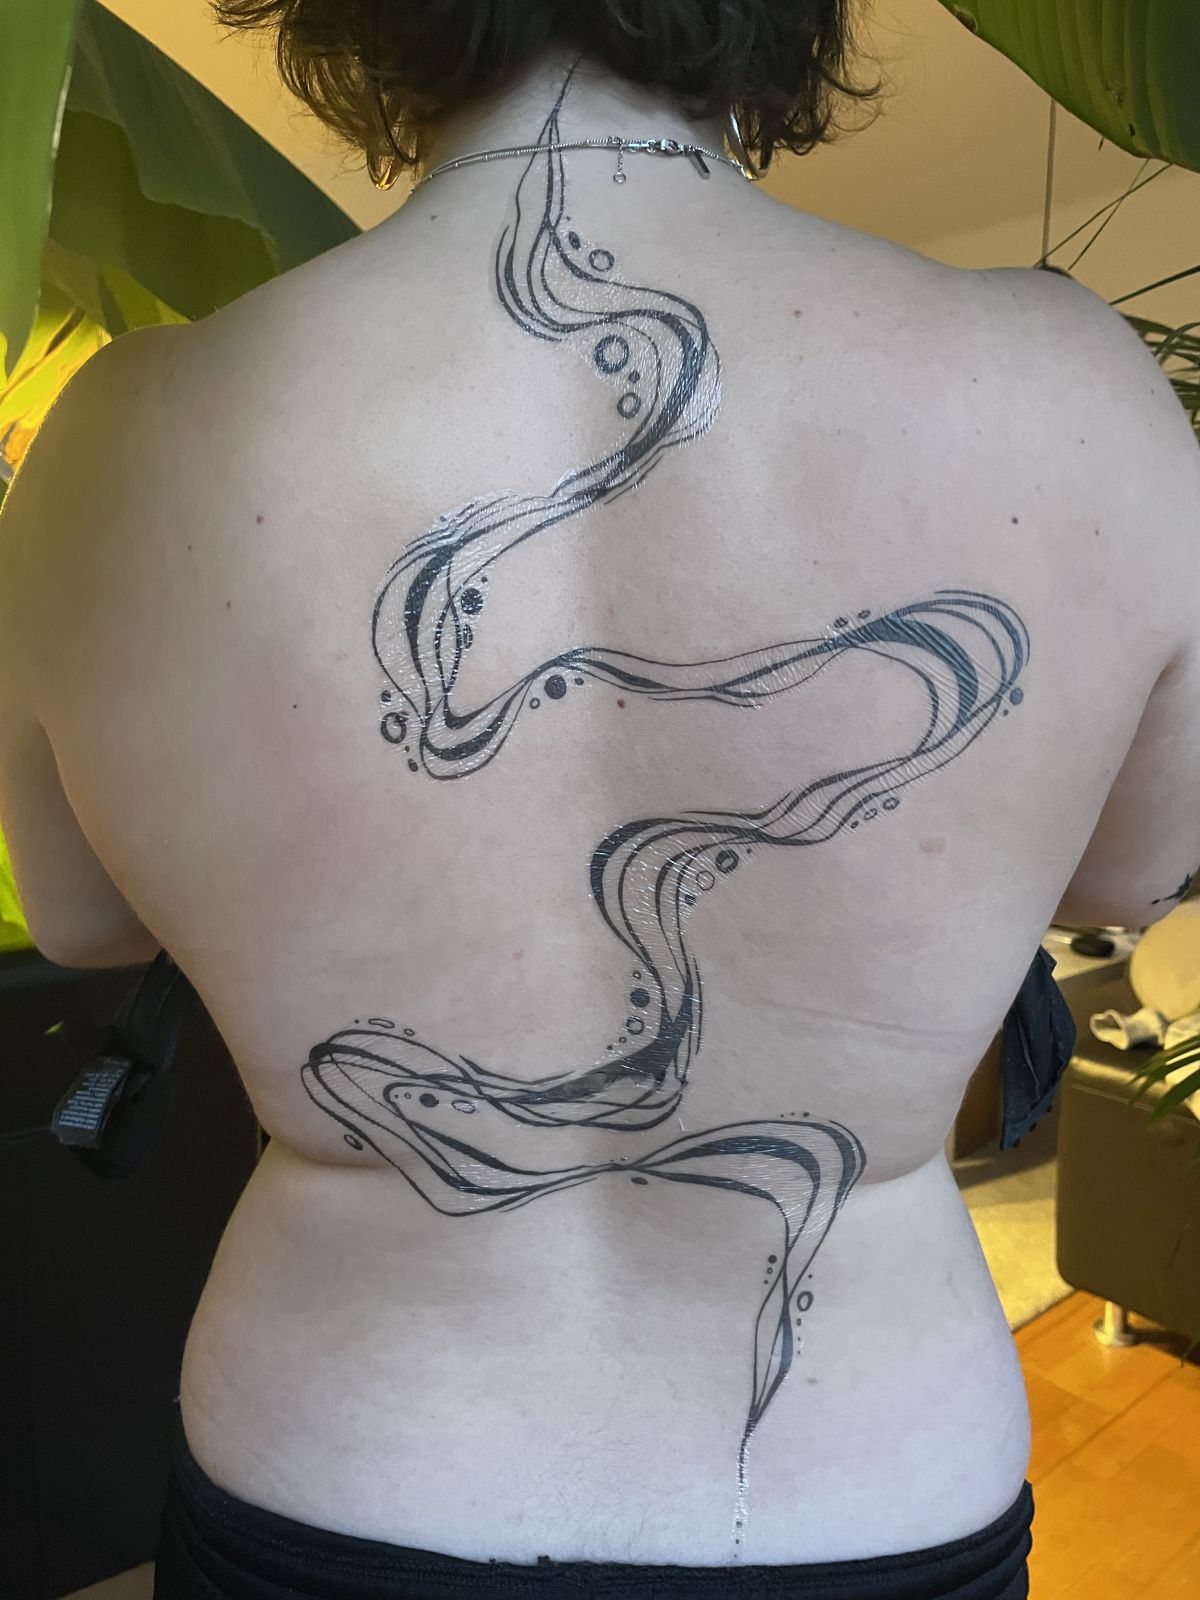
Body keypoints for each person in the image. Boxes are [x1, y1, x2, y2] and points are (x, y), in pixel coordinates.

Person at [1, 2, 1197, 1595]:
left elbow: (76, 916)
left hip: (349, 1460)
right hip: (867, 1479)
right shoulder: (1077, 387)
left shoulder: (123, 433)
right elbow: (1132, 880)